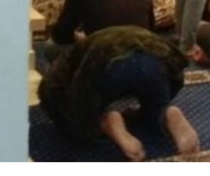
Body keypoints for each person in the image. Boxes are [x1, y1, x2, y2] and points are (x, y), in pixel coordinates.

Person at [38, 25, 197, 161]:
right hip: (156, 56)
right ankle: (167, 113)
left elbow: (70, 93)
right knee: (155, 108)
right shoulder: (110, 36)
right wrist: (164, 98)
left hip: (110, 62)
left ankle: (109, 120)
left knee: (79, 120)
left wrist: (80, 121)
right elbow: (176, 74)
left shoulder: (65, 65)